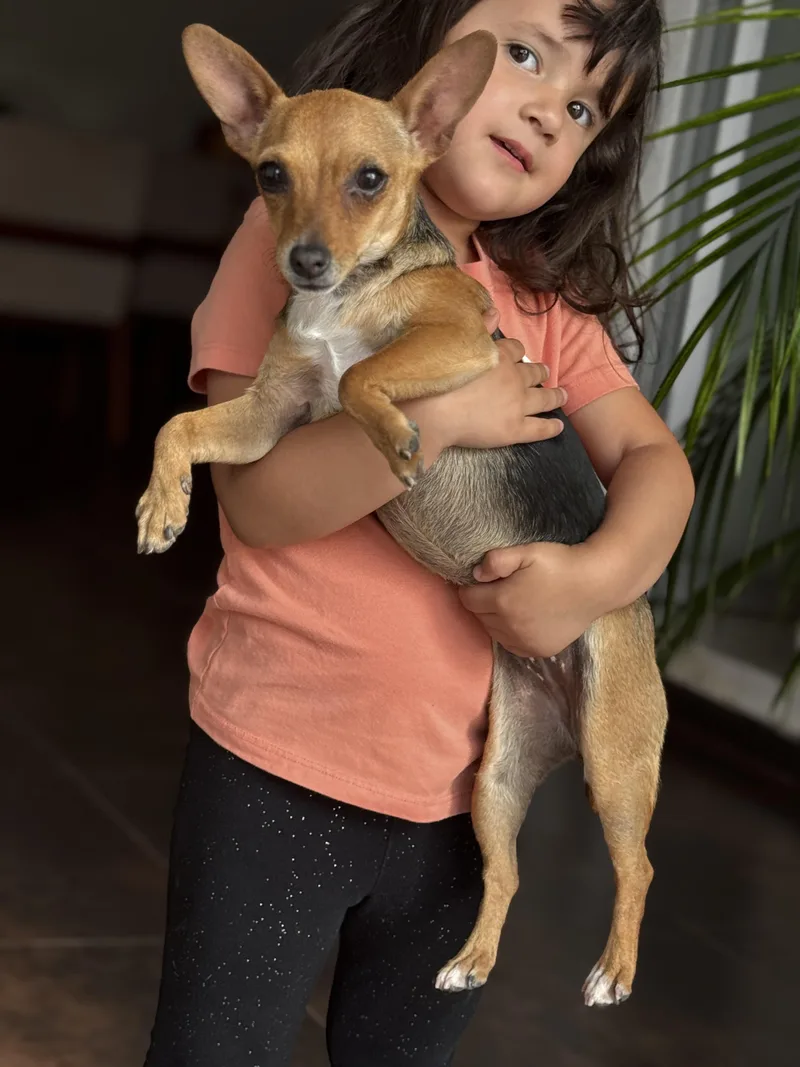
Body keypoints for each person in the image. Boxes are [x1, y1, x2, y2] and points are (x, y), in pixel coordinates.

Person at [143, 1, 694, 1064]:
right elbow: (255, 499)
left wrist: (596, 577)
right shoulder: (290, 241)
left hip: (456, 803)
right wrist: (440, 415)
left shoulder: (546, 312)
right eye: (522, 54)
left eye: (580, 104)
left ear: (426, 122)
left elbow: (656, 464)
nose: (542, 107)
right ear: (431, 80)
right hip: (274, 765)